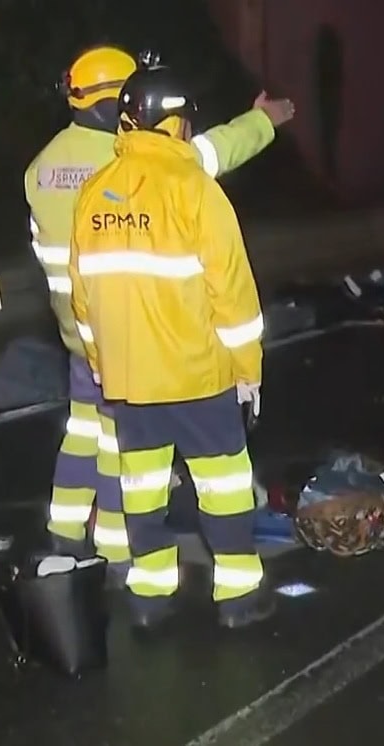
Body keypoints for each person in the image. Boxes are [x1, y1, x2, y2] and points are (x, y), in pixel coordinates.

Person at [24, 45, 294, 582]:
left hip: (86, 337)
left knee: (91, 436)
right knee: (128, 458)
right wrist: (263, 120)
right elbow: (212, 153)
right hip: (142, 343)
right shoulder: (128, 170)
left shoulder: (43, 168)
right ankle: (119, 554)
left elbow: (72, 276)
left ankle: (66, 533)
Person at [69, 61, 272, 629]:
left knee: (143, 493)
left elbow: (83, 301)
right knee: (224, 487)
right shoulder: (196, 192)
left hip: (130, 384)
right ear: (176, 123)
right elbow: (233, 294)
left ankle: (151, 598)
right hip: (198, 378)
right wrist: (248, 369)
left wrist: (102, 365)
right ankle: (238, 598)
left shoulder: (93, 196)